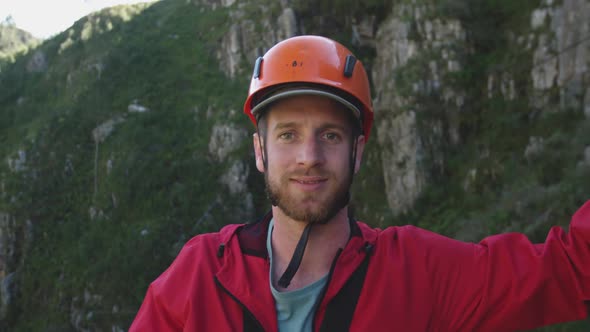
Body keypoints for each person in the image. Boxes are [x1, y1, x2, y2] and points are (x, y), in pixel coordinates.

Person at [129, 35, 590, 331]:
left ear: (359, 151)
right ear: (260, 151)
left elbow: (569, 271)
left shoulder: (416, 272)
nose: (309, 157)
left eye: (330, 135)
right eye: (288, 135)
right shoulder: (201, 276)